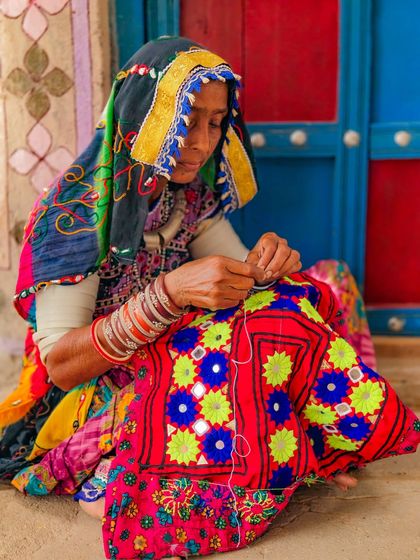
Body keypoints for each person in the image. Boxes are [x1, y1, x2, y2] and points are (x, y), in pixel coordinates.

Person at [0, 37, 418, 560]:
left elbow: (244, 280)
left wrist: (268, 266)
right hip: (108, 390)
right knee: (268, 334)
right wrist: (167, 295)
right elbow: (62, 366)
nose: (200, 142)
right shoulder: (78, 211)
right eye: (186, 118)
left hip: (179, 352)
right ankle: (147, 471)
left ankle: (315, 434)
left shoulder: (186, 194)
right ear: (140, 116)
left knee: (321, 285)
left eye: (215, 122)